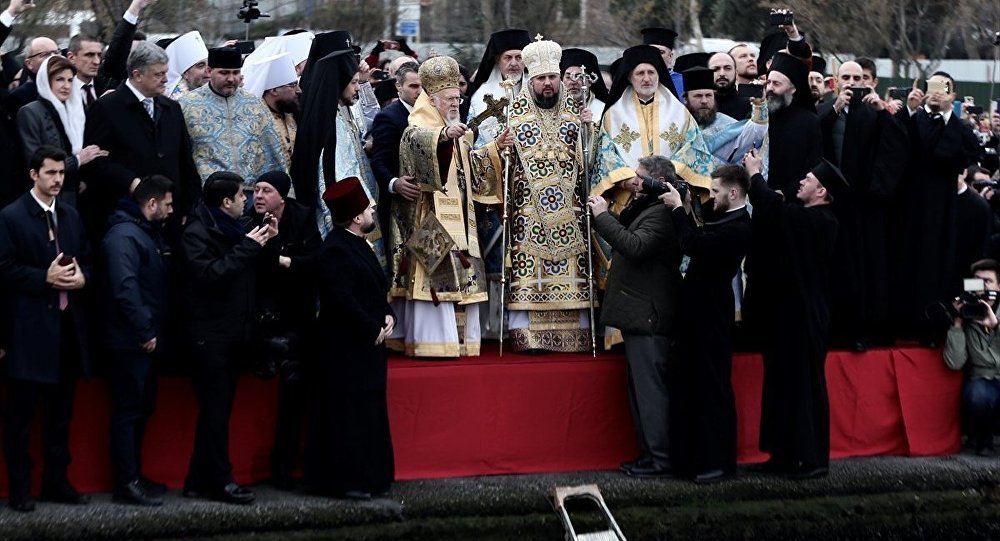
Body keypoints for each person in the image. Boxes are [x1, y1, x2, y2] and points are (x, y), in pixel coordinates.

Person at [469, 38, 596, 352]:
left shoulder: (575, 116)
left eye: (552, 77)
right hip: (528, 213)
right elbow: (496, 168)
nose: (548, 84)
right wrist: (500, 148)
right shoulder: (514, 117)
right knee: (529, 268)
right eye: (541, 79)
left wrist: (590, 133)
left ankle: (572, 336)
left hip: (571, 211)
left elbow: (589, 165)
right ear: (532, 80)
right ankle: (530, 337)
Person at [0, 146, 91, 512]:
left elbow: (87, 256)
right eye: (50, 173)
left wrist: (83, 277)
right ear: (33, 174)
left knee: (60, 416)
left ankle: (56, 483)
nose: (57, 179)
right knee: (21, 419)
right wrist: (44, 277)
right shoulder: (10, 216)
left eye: (61, 173)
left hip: (66, 332)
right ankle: (20, 491)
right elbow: (3, 269)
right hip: (28, 333)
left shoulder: (70, 215)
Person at [744, 151, 845, 480]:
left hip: (804, 319)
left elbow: (774, 209)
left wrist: (755, 175)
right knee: (781, 384)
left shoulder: (820, 221)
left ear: (821, 193)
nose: (802, 181)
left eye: (809, 181)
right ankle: (784, 453)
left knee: (803, 386)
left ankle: (811, 458)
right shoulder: (806, 217)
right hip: (787, 316)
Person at [179, 171, 277, 505]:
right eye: (240, 196)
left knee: (215, 412)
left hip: (232, 333)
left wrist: (264, 238)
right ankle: (220, 481)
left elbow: (249, 262)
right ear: (225, 202)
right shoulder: (197, 233)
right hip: (210, 338)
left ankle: (196, 479)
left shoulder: (233, 227)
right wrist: (249, 245)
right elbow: (211, 275)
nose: (246, 202)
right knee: (216, 413)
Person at [587, 154, 680, 478]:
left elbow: (634, 245)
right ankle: (648, 453)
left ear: (655, 181)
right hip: (639, 314)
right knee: (639, 391)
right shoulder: (645, 208)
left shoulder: (661, 214)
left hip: (649, 316)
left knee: (650, 391)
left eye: (640, 176)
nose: (634, 180)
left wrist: (601, 216)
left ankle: (660, 457)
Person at [393, 55, 491, 356]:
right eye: (449, 98)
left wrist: (494, 150)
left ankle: (464, 343)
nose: (455, 103)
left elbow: (469, 171)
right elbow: (419, 146)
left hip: (463, 218)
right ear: (432, 100)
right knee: (436, 277)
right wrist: (443, 136)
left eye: (458, 98)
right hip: (430, 218)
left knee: (465, 276)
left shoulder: (459, 130)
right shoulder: (417, 128)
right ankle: (434, 343)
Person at [304, 176, 395, 500]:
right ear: (357, 218)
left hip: (366, 350)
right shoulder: (335, 250)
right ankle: (347, 481)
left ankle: (370, 478)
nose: (373, 209)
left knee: (366, 415)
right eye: (368, 207)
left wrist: (387, 315)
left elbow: (373, 290)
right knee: (347, 419)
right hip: (346, 352)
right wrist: (373, 327)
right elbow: (341, 300)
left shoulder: (357, 245)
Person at [660, 164, 751, 484]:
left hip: (713, 315)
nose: (711, 197)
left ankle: (719, 461)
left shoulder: (740, 226)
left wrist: (676, 211)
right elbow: (700, 227)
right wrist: (685, 202)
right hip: (697, 313)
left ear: (734, 193)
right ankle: (689, 458)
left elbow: (693, 243)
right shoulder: (723, 215)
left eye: (715, 192)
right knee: (690, 383)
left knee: (712, 387)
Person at [818, 60, 907, 350]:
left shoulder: (875, 112)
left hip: (863, 205)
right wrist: (834, 109)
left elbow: (897, 148)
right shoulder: (825, 109)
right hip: (828, 203)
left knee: (864, 270)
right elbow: (812, 137)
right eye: (847, 77)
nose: (853, 82)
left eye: (859, 78)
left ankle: (862, 329)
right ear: (836, 80)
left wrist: (882, 112)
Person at [101, 174, 173, 507]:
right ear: (152, 203)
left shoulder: (144, 233)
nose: (172, 211)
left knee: (140, 410)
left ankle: (135, 476)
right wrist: (145, 332)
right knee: (128, 412)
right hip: (131, 343)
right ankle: (126, 482)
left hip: (143, 340)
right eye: (168, 204)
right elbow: (125, 288)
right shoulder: (124, 236)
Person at [82, 41, 202, 241]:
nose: (165, 80)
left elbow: (185, 161)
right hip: (127, 216)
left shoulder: (171, 108)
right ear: (137, 75)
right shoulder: (107, 108)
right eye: (158, 75)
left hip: (172, 217)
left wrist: (189, 208)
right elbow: (95, 163)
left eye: (165, 73)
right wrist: (133, 183)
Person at [895, 71, 981, 344]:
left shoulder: (960, 128)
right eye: (932, 87)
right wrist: (910, 108)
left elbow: (967, 150)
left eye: (944, 88)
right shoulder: (914, 120)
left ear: (953, 95)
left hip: (943, 210)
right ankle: (903, 325)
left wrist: (949, 117)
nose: (937, 92)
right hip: (910, 208)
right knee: (906, 264)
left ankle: (932, 328)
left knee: (937, 266)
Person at [250, 170, 321, 490]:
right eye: (255, 191)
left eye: (265, 191)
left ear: (281, 195)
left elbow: (315, 260)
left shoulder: (302, 217)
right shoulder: (249, 221)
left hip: (299, 312)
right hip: (263, 315)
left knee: (297, 393)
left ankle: (286, 464)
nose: (258, 196)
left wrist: (284, 260)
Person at [179, 47, 287, 188]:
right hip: (206, 194)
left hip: (249, 192)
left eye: (236, 73)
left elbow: (272, 149)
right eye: (224, 73)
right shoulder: (187, 104)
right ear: (209, 71)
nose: (231, 79)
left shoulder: (254, 103)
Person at [17, 55, 108, 209]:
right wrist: (78, 160)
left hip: (79, 197)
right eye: (59, 79)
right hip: (47, 198)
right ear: (46, 81)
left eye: (70, 80)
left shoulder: (77, 110)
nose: (66, 86)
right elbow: (35, 162)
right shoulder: (30, 112)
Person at [944, 258, 1000, 455]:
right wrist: (957, 324)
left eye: (988, 282)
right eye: (978, 282)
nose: (983, 288)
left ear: (999, 286)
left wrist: (996, 326)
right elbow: (954, 363)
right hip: (982, 380)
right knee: (978, 395)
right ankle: (982, 440)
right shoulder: (968, 313)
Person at [369, 63, 421, 246]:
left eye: (423, 86)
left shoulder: (432, 114)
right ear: (399, 86)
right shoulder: (388, 117)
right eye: (414, 86)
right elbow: (378, 160)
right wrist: (394, 183)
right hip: (399, 203)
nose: (420, 91)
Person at [467, 28, 531, 147]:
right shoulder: (481, 94)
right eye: (507, 58)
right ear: (497, 60)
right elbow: (472, 137)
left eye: (519, 57)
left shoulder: (535, 87)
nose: (513, 63)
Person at [243, 52, 300, 168]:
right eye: (293, 85)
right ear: (274, 90)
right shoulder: (255, 120)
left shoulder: (291, 113)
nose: (299, 90)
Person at [560, 47, 610, 121]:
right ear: (562, 81)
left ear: (590, 81)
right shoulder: (553, 109)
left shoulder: (604, 111)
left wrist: (590, 126)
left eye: (579, 76)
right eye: (568, 77)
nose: (573, 82)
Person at [163, 30, 209, 99]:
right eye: (201, 66)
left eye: (209, 64)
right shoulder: (178, 101)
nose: (208, 70)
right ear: (185, 73)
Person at [709, 52, 751, 121]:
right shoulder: (701, 104)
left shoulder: (749, 105)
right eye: (716, 69)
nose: (722, 74)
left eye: (727, 68)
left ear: (736, 72)